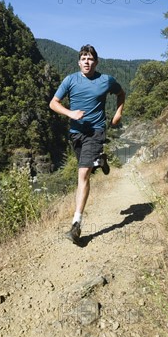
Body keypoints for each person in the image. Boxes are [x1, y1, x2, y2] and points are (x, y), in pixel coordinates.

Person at [49, 44, 125, 245]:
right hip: (76, 134)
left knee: (82, 174)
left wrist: (118, 113)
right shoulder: (70, 80)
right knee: (87, 167)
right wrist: (70, 113)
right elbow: (53, 103)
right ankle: (100, 161)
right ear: (79, 62)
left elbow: (121, 94)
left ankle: (76, 224)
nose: (87, 62)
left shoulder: (106, 80)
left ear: (96, 62)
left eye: (90, 58)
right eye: (83, 58)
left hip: (96, 132)